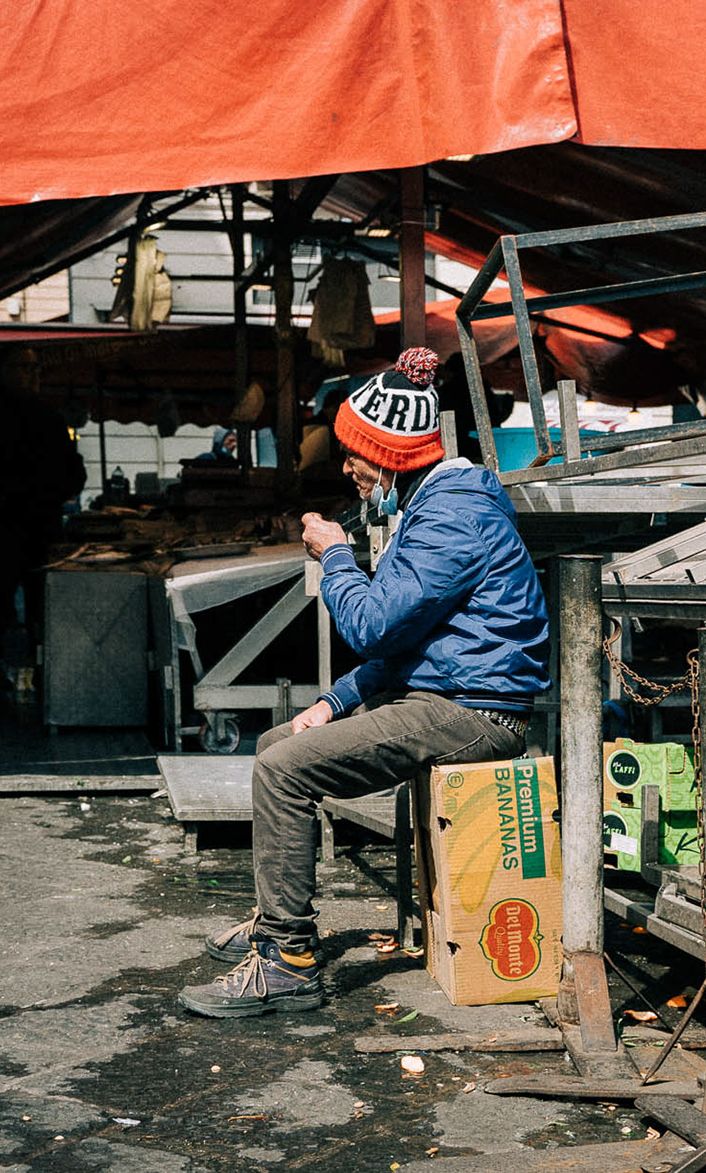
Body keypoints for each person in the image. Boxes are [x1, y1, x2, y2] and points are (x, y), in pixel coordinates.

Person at [181, 347, 550, 1018]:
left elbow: (375, 627)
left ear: (393, 456)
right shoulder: (432, 505)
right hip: (446, 695)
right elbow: (407, 641)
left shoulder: (452, 515)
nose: (346, 468)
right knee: (275, 745)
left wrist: (338, 557)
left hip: (475, 713)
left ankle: (288, 962)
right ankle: (274, 921)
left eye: (355, 456)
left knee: (284, 771)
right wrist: (333, 701)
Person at [0, 348, 86, 692]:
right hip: (5, 519)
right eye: (25, 368)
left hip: (38, 519)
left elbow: (73, 470)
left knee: (39, 595)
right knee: (0, 591)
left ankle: (39, 659)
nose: (33, 374)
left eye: (35, 368)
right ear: (4, 370)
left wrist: (54, 489)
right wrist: (11, 485)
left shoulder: (47, 415)